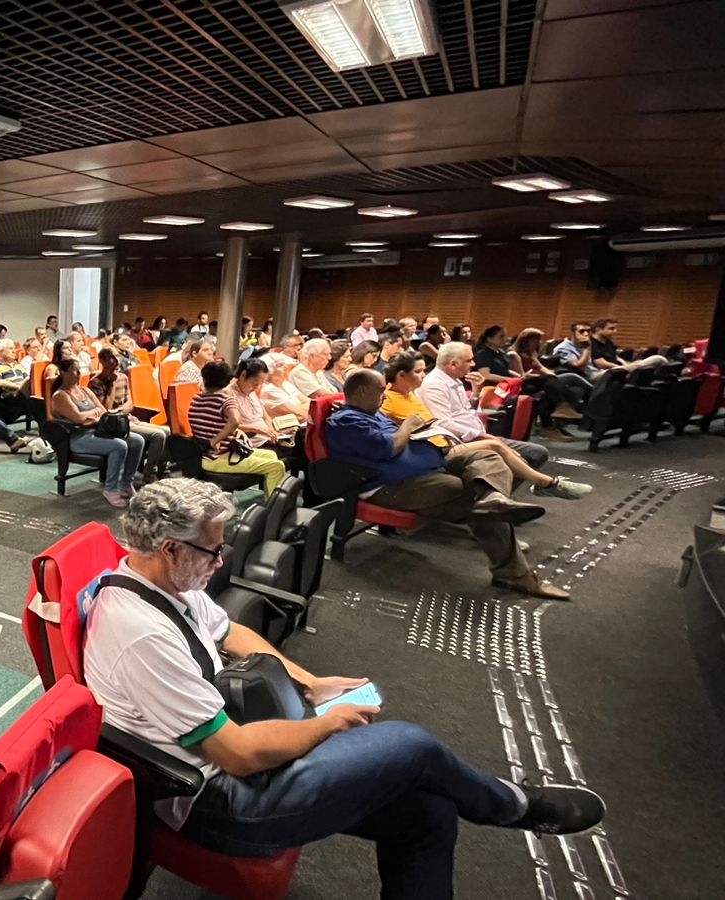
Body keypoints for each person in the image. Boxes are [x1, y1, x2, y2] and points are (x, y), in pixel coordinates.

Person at [84, 478, 605, 900]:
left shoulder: (167, 582)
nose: (220, 563)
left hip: (233, 761)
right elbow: (238, 755)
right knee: (412, 744)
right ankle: (515, 807)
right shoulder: (142, 634)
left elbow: (229, 632)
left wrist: (311, 683)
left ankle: (509, 804)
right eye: (212, 552)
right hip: (221, 803)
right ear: (170, 548)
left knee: (428, 814)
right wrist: (326, 725)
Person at [330, 370, 570, 598]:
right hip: (392, 486)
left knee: (488, 457)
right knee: (463, 490)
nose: (384, 395)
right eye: (381, 390)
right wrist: (407, 426)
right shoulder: (346, 420)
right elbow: (388, 448)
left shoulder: (373, 413)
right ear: (362, 391)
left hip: (433, 464)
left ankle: (493, 498)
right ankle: (514, 572)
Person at [380, 353, 590, 500]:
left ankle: (498, 503)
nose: (423, 375)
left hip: (446, 441)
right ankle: (548, 484)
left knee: (510, 455)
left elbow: (458, 416)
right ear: (401, 375)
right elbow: (390, 434)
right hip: (436, 448)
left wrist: (476, 392)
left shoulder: (412, 394)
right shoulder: (389, 400)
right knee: (495, 447)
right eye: (418, 371)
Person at [418, 343, 550, 467]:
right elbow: (442, 424)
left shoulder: (454, 380)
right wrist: (483, 436)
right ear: (453, 364)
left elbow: (466, 410)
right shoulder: (434, 385)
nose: (473, 364)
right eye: (469, 360)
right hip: (463, 442)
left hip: (478, 435)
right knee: (527, 458)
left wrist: (476, 391)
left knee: (538, 453)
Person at [49, 358, 145, 508]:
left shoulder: (85, 391)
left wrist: (91, 415)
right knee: (119, 446)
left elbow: (103, 411)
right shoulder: (60, 396)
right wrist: (93, 413)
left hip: (98, 431)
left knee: (137, 441)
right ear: (63, 373)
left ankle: (126, 483)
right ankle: (110, 489)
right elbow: (78, 418)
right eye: (75, 370)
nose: (79, 374)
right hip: (77, 438)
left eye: (79, 370)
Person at [188, 361, 288, 497]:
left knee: (270, 455)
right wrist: (215, 440)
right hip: (217, 458)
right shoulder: (226, 400)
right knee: (277, 466)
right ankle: (273, 507)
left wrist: (236, 431)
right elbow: (234, 421)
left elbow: (212, 424)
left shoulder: (196, 399)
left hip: (203, 455)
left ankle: (269, 496)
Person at [92, 348, 167, 479]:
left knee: (167, 431)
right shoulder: (95, 382)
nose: (115, 361)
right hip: (113, 425)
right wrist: (111, 384)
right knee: (158, 435)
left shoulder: (123, 377)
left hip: (127, 418)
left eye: (116, 356)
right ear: (102, 361)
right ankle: (149, 473)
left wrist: (120, 413)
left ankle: (158, 468)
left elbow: (130, 404)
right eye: (111, 358)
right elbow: (105, 411)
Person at [511, 328, 591, 433]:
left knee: (574, 391)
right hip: (527, 383)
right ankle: (592, 394)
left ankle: (557, 424)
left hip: (542, 381)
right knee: (572, 377)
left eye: (539, 339)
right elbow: (521, 376)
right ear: (526, 340)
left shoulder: (531, 353)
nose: (538, 342)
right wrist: (545, 377)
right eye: (536, 339)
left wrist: (552, 375)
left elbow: (541, 368)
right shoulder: (514, 354)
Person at [587, 319, 669, 374]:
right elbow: (600, 363)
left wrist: (626, 365)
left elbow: (616, 357)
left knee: (654, 361)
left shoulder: (607, 341)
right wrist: (622, 368)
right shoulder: (591, 343)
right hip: (608, 371)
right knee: (658, 359)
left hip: (619, 368)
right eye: (611, 328)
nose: (615, 331)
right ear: (598, 329)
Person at [258, 353, 311, 420]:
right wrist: (304, 408)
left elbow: (311, 403)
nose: (286, 367)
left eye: (284, 364)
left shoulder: (286, 384)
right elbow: (300, 414)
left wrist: (300, 408)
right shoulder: (269, 390)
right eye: (280, 365)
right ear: (269, 372)